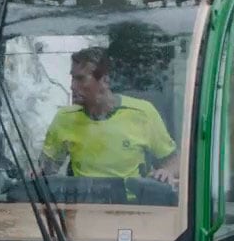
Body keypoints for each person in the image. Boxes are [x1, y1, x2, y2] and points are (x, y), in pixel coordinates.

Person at [39, 48, 179, 184]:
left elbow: (174, 162)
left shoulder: (142, 113)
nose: (72, 86)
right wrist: (39, 172)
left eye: (80, 79)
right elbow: (45, 170)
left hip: (132, 204)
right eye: (72, 78)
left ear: (105, 81)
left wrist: (167, 172)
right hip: (83, 203)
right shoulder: (65, 118)